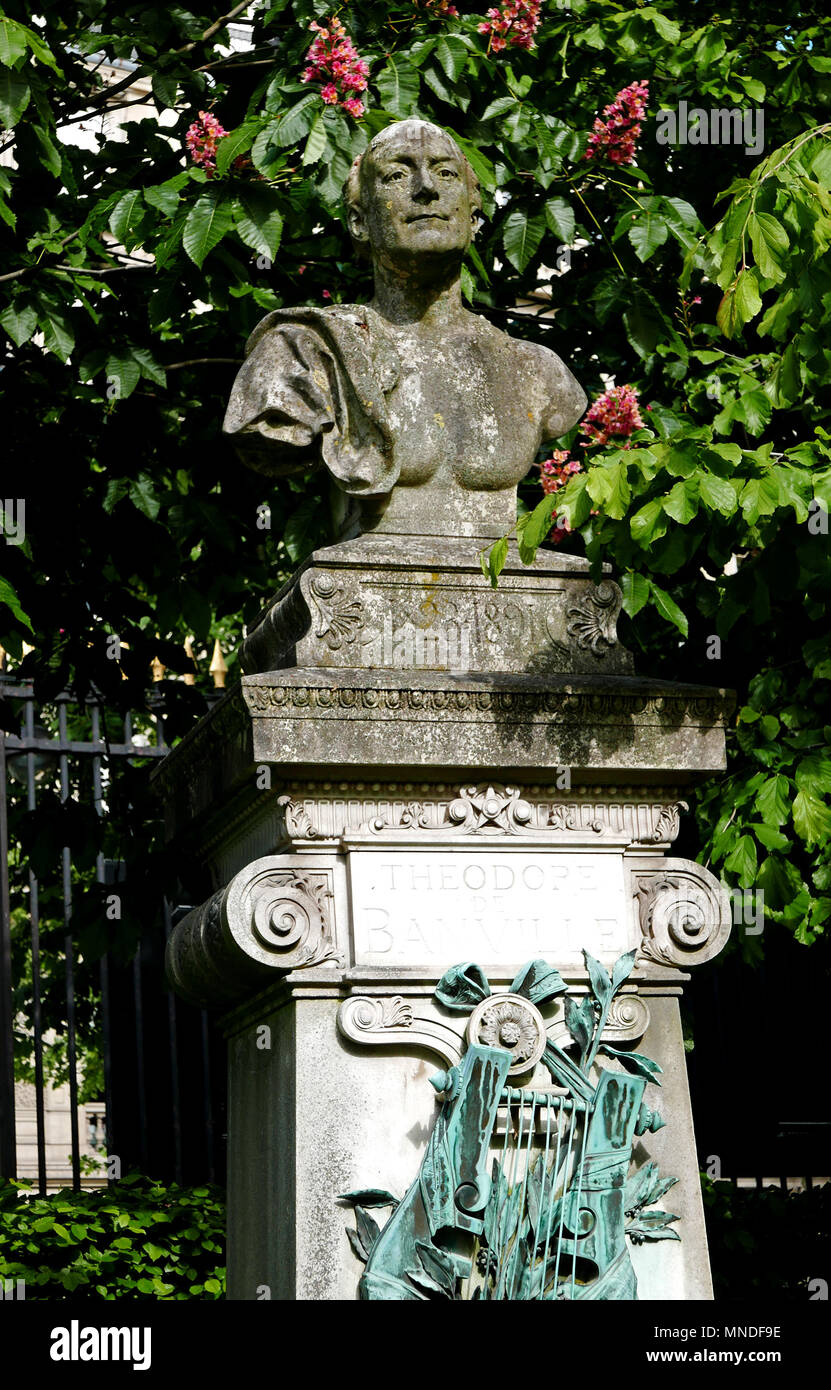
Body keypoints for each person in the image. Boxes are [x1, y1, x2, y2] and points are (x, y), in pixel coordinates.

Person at [224, 118, 586, 540]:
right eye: (397, 174)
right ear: (360, 221)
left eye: (445, 173)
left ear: (474, 216)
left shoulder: (537, 371)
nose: (426, 188)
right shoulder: (303, 352)